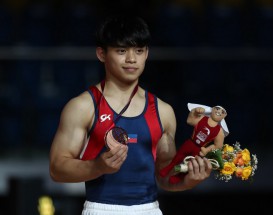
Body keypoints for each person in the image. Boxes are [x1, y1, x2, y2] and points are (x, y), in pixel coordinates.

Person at [49, 15, 213, 215]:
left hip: (149, 209)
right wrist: (97, 166)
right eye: (121, 51)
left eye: (139, 50)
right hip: (102, 209)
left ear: (146, 54)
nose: (131, 59)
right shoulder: (83, 107)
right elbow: (57, 169)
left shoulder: (163, 111)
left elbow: (164, 177)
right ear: (101, 54)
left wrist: (189, 181)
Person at [159, 105, 228, 184]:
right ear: (212, 110)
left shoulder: (219, 132)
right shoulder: (202, 118)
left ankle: (179, 176)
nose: (219, 111)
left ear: (224, 116)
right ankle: (169, 167)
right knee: (178, 156)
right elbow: (189, 121)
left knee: (191, 164)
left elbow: (218, 146)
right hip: (190, 142)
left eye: (222, 112)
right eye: (217, 109)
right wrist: (195, 111)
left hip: (199, 149)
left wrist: (206, 150)